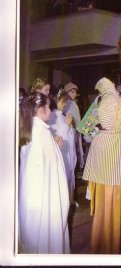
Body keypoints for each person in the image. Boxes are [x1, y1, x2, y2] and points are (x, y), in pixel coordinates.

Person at [82, 77, 121, 254]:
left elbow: (85, 128)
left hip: (102, 140)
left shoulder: (100, 100)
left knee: (104, 199)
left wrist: (96, 133)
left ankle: (103, 243)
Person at [19, 92, 70, 254]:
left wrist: (55, 145)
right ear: (40, 110)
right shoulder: (41, 133)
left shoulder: (33, 129)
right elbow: (48, 168)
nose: (50, 109)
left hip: (32, 195)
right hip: (44, 197)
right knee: (47, 237)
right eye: (48, 106)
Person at [49, 89, 78, 207]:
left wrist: (70, 125)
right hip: (62, 152)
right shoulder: (53, 117)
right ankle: (64, 202)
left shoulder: (63, 115)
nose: (65, 104)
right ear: (55, 101)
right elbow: (59, 137)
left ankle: (70, 200)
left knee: (70, 175)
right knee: (64, 176)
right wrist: (67, 125)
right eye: (62, 101)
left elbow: (71, 136)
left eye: (66, 101)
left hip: (69, 152)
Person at [64, 82, 84, 170]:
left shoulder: (73, 103)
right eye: (72, 92)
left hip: (74, 131)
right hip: (70, 130)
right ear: (66, 92)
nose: (74, 94)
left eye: (75, 92)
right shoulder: (68, 103)